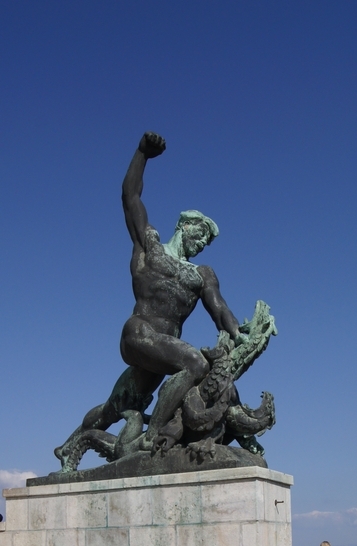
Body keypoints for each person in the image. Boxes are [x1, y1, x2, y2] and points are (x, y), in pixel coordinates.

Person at [55, 132, 247, 467]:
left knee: (119, 405)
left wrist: (239, 333)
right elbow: (130, 196)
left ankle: (69, 446)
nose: (201, 243)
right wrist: (142, 153)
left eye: (206, 241)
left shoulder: (203, 274)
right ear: (182, 226)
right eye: (199, 233)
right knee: (196, 363)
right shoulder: (150, 247)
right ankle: (153, 435)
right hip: (139, 334)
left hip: (163, 350)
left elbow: (220, 311)